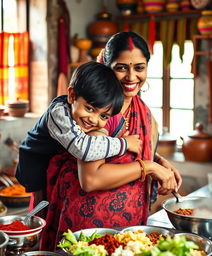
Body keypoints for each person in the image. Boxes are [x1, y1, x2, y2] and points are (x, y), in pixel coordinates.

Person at [40, 32, 182, 251]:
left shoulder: (140, 110)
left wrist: (160, 162)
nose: (131, 77)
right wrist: (149, 166)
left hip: (130, 225)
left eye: (139, 68)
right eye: (121, 67)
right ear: (107, 66)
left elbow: (130, 153)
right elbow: (91, 179)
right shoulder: (96, 111)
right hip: (89, 223)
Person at [15, 61, 142, 200]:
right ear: (72, 95)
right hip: (34, 161)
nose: (93, 120)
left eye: (103, 116)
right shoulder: (58, 114)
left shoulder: (82, 116)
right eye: (89, 108)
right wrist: (124, 143)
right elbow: (83, 149)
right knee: (41, 202)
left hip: (53, 155)